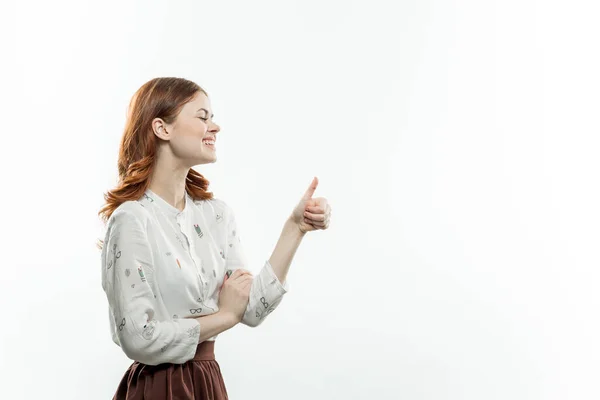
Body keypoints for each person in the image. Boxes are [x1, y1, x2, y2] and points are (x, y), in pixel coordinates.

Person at [97, 77, 332, 400]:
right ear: (162, 129)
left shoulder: (216, 215)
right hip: (157, 388)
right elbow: (139, 337)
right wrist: (224, 316)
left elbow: (250, 309)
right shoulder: (132, 220)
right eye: (203, 116)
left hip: (207, 382)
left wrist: (295, 228)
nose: (215, 126)